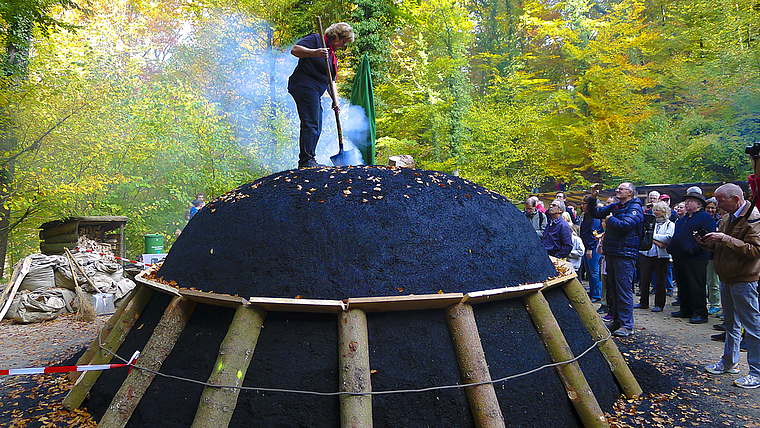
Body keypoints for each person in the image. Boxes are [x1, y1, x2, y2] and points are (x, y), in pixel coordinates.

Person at [701, 183, 760, 389]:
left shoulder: (753, 218)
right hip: (726, 277)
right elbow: (724, 245)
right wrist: (708, 242)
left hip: (744, 279)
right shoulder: (728, 217)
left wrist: (725, 238)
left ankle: (756, 373)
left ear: (736, 199)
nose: (718, 205)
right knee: (730, 324)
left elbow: (755, 250)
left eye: (721, 201)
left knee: (752, 327)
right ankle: (729, 363)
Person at [288, 22, 355, 169]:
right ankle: (306, 161)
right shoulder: (316, 39)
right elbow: (295, 50)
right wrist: (315, 52)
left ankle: (309, 158)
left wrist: (335, 100)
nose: (343, 45)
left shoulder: (333, 58)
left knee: (317, 122)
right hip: (303, 84)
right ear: (336, 36)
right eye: (343, 41)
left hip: (316, 91)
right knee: (311, 121)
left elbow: (332, 81)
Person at [587, 182, 643, 337]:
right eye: (617, 188)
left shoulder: (635, 208)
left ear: (630, 192)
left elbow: (626, 225)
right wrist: (593, 197)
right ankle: (617, 321)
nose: (617, 190)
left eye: (621, 188)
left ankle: (627, 325)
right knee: (612, 289)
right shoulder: (617, 206)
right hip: (612, 252)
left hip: (625, 254)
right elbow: (596, 213)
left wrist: (609, 220)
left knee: (623, 289)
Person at [666, 188, 716, 324]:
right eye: (686, 201)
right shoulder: (683, 219)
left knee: (696, 284)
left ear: (699, 204)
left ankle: (700, 312)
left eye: (690, 201)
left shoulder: (705, 218)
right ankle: (686, 308)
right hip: (680, 257)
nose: (686, 204)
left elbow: (708, 237)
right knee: (683, 284)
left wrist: (693, 249)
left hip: (696, 257)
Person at [635, 201, 674, 312]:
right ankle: (643, 302)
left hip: (661, 256)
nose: (654, 212)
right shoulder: (650, 222)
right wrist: (657, 240)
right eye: (654, 209)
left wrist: (651, 237)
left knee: (660, 280)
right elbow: (644, 235)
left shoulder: (670, 225)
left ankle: (659, 304)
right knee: (644, 279)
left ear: (664, 212)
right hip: (647, 254)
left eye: (657, 210)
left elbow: (667, 238)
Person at [580, 195, 604, 302]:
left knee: (594, 271)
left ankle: (597, 294)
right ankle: (593, 292)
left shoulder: (595, 216)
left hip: (592, 247)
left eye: (584, 203)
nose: (582, 206)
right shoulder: (585, 216)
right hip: (585, 246)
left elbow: (594, 232)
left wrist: (590, 248)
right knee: (589, 272)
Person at [705, 197, 722, 315]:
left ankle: (715, 304)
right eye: (708, 208)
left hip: (713, 255)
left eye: (713, 208)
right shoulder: (702, 220)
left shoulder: (719, 221)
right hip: (702, 254)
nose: (711, 210)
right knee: (704, 281)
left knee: (713, 281)